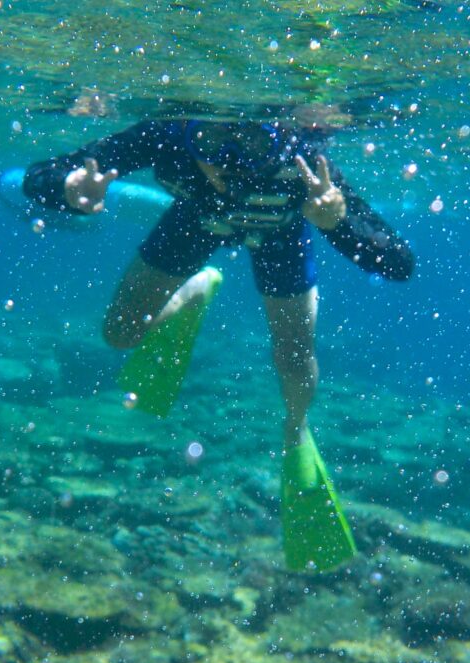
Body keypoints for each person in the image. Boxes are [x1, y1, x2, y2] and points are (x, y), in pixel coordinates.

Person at [21, 117, 415, 571]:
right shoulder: (164, 133)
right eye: (212, 141)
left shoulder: (305, 160)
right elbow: (40, 175)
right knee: (119, 334)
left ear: (279, 140)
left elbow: (399, 263)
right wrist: (67, 188)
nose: (232, 161)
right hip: (194, 221)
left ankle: (297, 429)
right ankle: (193, 292)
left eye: (251, 142)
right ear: (191, 133)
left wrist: (339, 222)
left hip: (280, 234)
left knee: (293, 355)